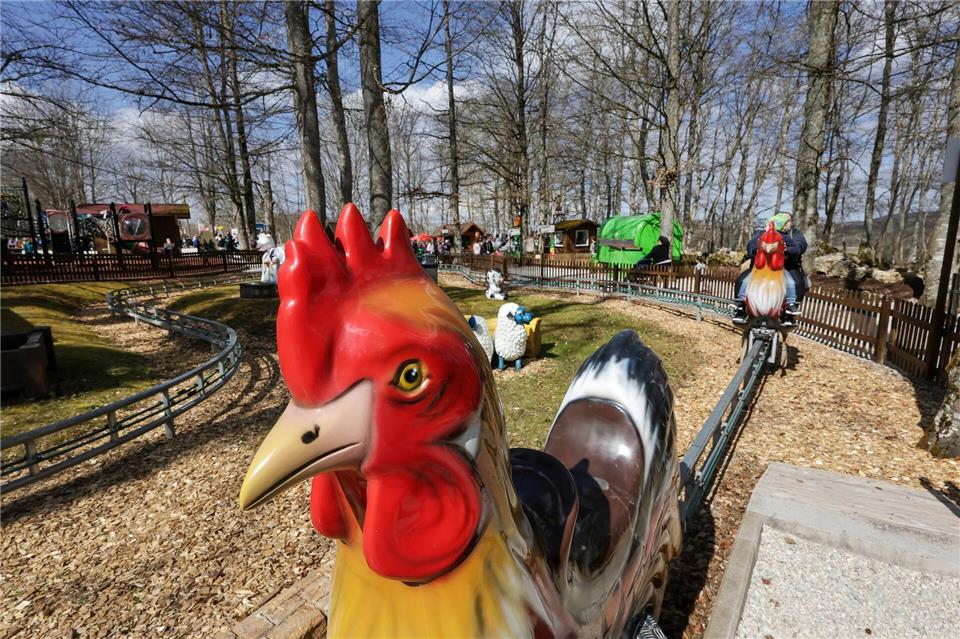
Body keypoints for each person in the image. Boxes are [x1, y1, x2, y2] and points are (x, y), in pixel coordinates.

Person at [732, 212, 807, 325]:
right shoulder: (763, 233)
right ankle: (741, 307)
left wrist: (787, 250)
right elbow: (752, 244)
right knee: (742, 280)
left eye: (788, 220)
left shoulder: (793, 234)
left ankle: (789, 311)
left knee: (797, 282)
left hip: (786, 265)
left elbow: (800, 245)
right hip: (762, 266)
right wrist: (755, 250)